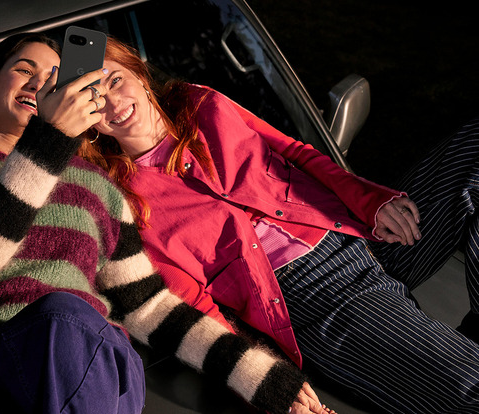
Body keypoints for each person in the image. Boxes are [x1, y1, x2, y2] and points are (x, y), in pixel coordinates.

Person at [0, 33, 330, 414]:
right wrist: (50, 140)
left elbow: (151, 306)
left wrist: (265, 379)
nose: (37, 85)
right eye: (23, 70)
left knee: (62, 315)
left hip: (80, 360)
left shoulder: (95, 188)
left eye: (53, 80)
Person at [80, 36, 479, 413]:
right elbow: (189, 305)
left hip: (352, 229)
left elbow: (293, 150)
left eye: (116, 80)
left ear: (140, 74)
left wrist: (372, 202)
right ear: (90, 123)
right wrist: (264, 380)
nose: (114, 103)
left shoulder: (201, 103)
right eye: (95, 100)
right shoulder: (123, 203)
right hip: (316, 297)